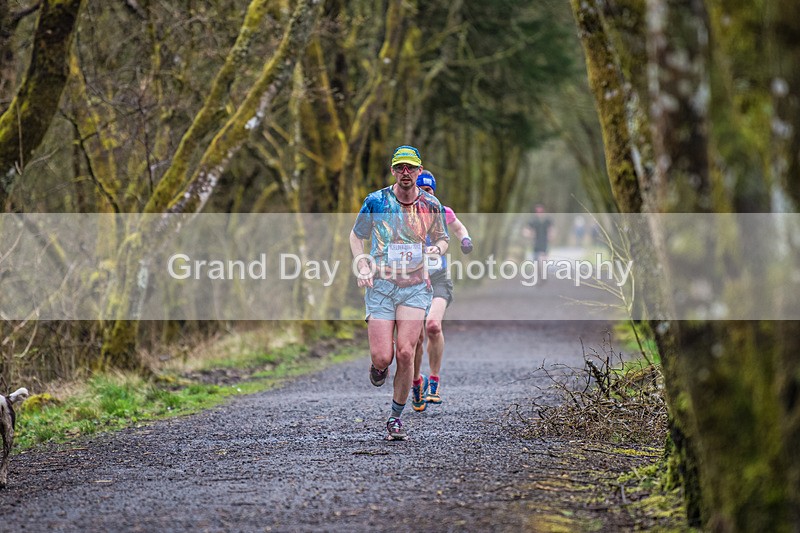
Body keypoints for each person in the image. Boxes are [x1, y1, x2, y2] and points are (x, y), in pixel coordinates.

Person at [350, 146, 449, 440]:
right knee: (384, 357)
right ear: (393, 171)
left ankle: (395, 417)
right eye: (400, 168)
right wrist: (361, 264)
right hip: (380, 286)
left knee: (406, 352)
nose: (406, 173)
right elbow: (356, 236)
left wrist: (436, 249)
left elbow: (444, 239)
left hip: (415, 287)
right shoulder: (376, 201)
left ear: (419, 171)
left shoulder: (431, 204)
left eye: (411, 168)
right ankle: (379, 367)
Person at [410, 170, 473, 412]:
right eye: (421, 191)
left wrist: (465, 240)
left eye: (429, 191)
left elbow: (458, 228)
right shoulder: (403, 215)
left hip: (437, 278)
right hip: (412, 280)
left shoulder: (441, 211)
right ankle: (416, 382)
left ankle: (434, 380)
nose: (425, 195)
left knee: (433, 326)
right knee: (415, 338)